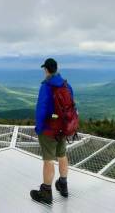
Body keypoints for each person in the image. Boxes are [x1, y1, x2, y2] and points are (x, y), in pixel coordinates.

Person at [30, 58, 73, 204]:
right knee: (62, 155)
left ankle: (46, 193)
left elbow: (41, 109)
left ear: (46, 70)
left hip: (49, 129)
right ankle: (63, 184)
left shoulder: (46, 86)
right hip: (63, 128)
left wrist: (39, 127)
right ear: (56, 69)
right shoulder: (66, 85)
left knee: (48, 160)